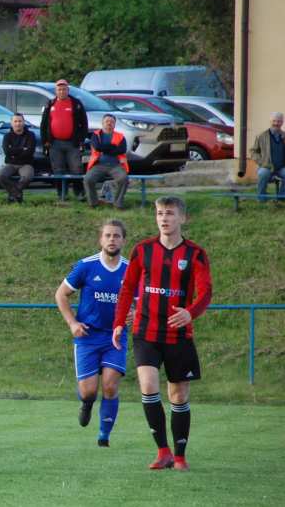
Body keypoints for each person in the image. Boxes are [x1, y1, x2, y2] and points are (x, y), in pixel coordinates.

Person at [113, 196, 212, 471]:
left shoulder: (195, 254)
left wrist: (190, 312)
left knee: (178, 396)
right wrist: (119, 323)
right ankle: (163, 451)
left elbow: (205, 292)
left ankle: (180, 456)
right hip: (146, 330)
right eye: (159, 213)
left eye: (169, 213)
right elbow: (127, 288)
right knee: (148, 386)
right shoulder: (143, 250)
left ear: (183, 218)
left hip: (178, 335)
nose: (164, 219)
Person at [54, 220, 129, 447]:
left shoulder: (130, 269)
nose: (112, 240)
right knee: (88, 392)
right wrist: (72, 323)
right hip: (87, 337)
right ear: (100, 239)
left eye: (116, 236)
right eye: (107, 235)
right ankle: (86, 403)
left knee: (109, 385)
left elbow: (139, 302)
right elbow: (61, 294)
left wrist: (135, 313)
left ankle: (104, 436)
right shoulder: (86, 266)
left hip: (115, 337)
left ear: (123, 241)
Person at [41, 79, 88, 201]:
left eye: (64, 89)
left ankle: (79, 193)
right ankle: (62, 194)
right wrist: (45, 141)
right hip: (54, 143)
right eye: (59, 89)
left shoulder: (76, 103)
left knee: (76, 169)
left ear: (68, 90)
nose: (62, 91)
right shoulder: (50, 104)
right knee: (58, 170)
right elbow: (44, 124)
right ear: (56, 91)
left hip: (73, 143)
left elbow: (84, 123)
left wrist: (81, 140)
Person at [83, 114, 130, 209]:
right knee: (88, 179)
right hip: (98, 164)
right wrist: (112, 147)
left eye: (112, 122)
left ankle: (118, 204)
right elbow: (97, 147)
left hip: (116, 165)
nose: (109, 123)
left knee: (123, 179)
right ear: (102, 123)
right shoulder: (95, 135)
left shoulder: (120, 136)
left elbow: (122, 150)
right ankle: (93, 203)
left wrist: (105, 148)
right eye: (107, 121)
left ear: (115, 124)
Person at [0, 113, 37, 204]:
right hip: (11, 164)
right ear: (11, 123)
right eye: (15, 121)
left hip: (26, 164)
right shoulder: (7, 136)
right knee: (0, 175)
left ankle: (12, 195)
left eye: (20, 121)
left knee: (27, 177)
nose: (18, 123)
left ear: (23, 122)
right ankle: (17, 194)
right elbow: (7, 151)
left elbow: (30, 152)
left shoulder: (31, 135)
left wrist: (14, 152)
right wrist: (22, 149)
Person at [249, 111, 285, 201]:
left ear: (282, 122)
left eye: (279, 121)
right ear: (270, 121)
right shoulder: (261, 135)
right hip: (267, 166)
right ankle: (261, 197)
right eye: (274, 121)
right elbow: (253, 152)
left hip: (281, 167)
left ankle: (281, 197)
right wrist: (262, 162)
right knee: (263, 173)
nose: (276, 123)